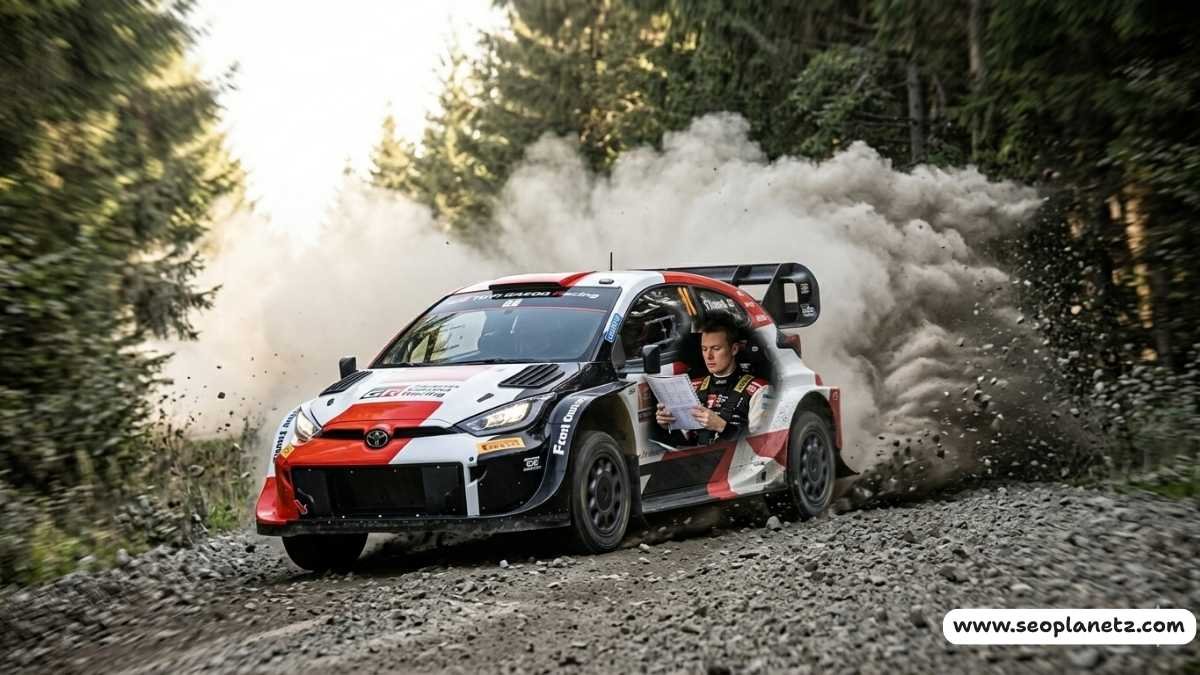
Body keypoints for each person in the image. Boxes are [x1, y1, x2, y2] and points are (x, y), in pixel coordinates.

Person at [655, 312, 769, 446]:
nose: (708, 356)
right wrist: (667, 422)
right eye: (704, 349)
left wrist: (721, 426)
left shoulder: (758, 389)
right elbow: (684, 442)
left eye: (716, 348)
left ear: (734, 349)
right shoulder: (692, 387)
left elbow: (762, 445)